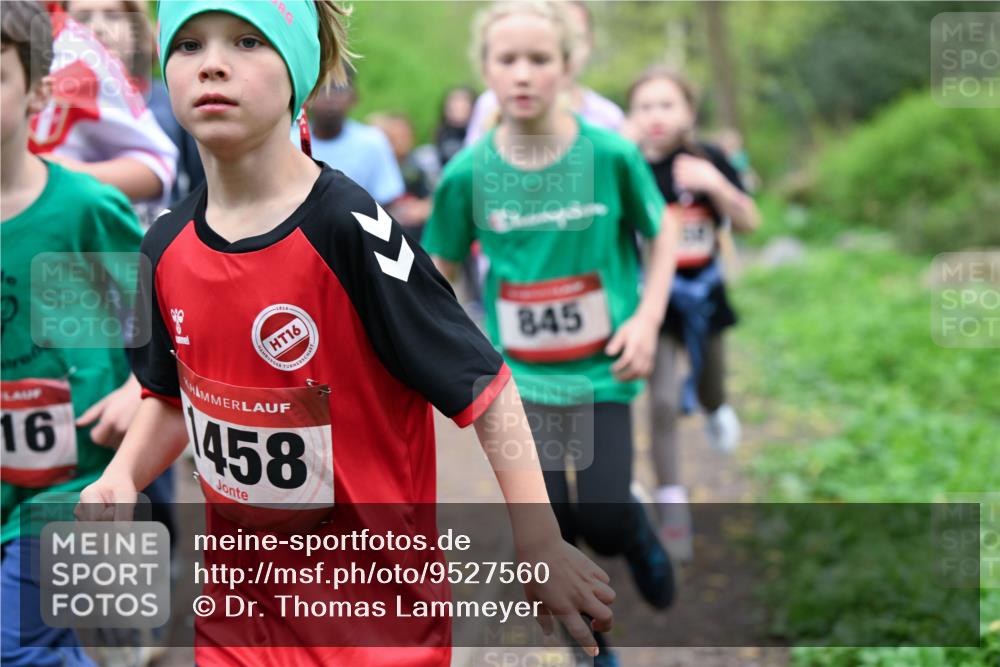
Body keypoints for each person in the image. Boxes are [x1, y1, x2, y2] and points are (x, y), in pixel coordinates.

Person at [76, 2, 616, 666]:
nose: (212, 61)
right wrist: (124, 474)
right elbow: (171, 397)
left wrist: (538, 536)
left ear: (300, 73)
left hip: (374, 622)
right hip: (239, 618)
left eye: (248, 41)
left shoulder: (349, 227)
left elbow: (487, 385)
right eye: (188, 46)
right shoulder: (164, 246)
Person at [423, 3, 678, 665]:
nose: (524, 74)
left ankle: (639, 533)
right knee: (552, 534)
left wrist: (648, 317)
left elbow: (664, 229)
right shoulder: (467, 174)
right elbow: (436, 275)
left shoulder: (612, 153)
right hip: (519, 383)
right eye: (507, 60)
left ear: (568, 67)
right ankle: (593, 648)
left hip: (602, 373)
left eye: (540, 59)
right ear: (485, 70)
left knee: (603, 516)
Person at [1, 3, 147, 664]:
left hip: (76, 486)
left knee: (17, 645)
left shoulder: (82, 211)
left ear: (36, 90)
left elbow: (168, 324)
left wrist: (144, 388)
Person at [627, 67, 760, 561]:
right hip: (653, 303)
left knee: (711, 387)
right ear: (632, 115)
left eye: (667, 105)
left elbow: (749, 222)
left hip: (704, 299)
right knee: (660, 402)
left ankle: (716, 408)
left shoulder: (709, 159)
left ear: (688, 112)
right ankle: (672, 506)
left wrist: (715, 186)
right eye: (645, 106)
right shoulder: (628, 164)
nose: (656, 117)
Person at [28, 2, 177, 219]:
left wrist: (63, 173)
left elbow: (179, 176)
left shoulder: (170, 101)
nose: (98, 27)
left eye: (113, 16)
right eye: (84, 17)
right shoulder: (51, 70)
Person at [463, 0, 623, 145]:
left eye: (578, 36)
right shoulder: (489, 105)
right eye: (507, 60)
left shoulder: (608, 119)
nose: (522, 76)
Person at [302, 67, 405, 206]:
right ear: (307, 97)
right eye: (322, 88)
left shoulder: (373, 142)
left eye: (339, 88)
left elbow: (389, 201)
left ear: (354, 97)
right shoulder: (288, 142)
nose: (330, 96)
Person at [367, 112, 433, 243]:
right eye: (394, 137)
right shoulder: (374, 168)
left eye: (405, 135)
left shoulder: (416, 166)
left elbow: (430, 201)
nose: (401, 141)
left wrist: (420, 209)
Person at [435, 85, 476, 168]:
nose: (459, 106)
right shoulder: (443, 136)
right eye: (455, 102)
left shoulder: (479, 133)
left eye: (464, 101)